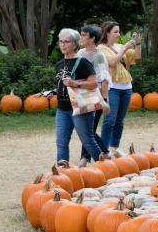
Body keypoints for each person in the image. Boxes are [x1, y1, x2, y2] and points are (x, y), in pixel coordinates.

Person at [54, 29, 104, 164]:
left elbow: (94, 83)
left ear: (75, 44)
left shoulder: (82, 62)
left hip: (80, 108)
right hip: (62, 109)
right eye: (61, 41)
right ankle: (62, 172)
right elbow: (62, 85)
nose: (63, 44)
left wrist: (75, 83)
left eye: (67, 41)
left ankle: (105, 167)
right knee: (61, 143)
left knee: (87, 141)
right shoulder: (59, 64)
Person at [98, 21, 137, 158]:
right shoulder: (101, 49)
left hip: (126, 87)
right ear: (107, 33)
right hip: (112, 88)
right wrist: (124, 48)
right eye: (115, 32)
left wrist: (137, 44)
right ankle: (104, 151)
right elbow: (112, 62)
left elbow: (136, 57)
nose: (118, 34)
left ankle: (114, 147)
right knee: (110, 120)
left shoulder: (120, 46)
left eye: (119, 31)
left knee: (120, 121)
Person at [77, 24, 110, 167]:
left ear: (92, 39)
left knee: (88, 130)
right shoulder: (79, 53)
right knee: (85, 129)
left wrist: (104, 100)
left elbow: (104, 79)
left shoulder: (99, 55)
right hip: (81, 96)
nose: (81, 37)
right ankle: (105, 153)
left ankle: (85, 158)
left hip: (96, 96)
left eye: (84, 35)